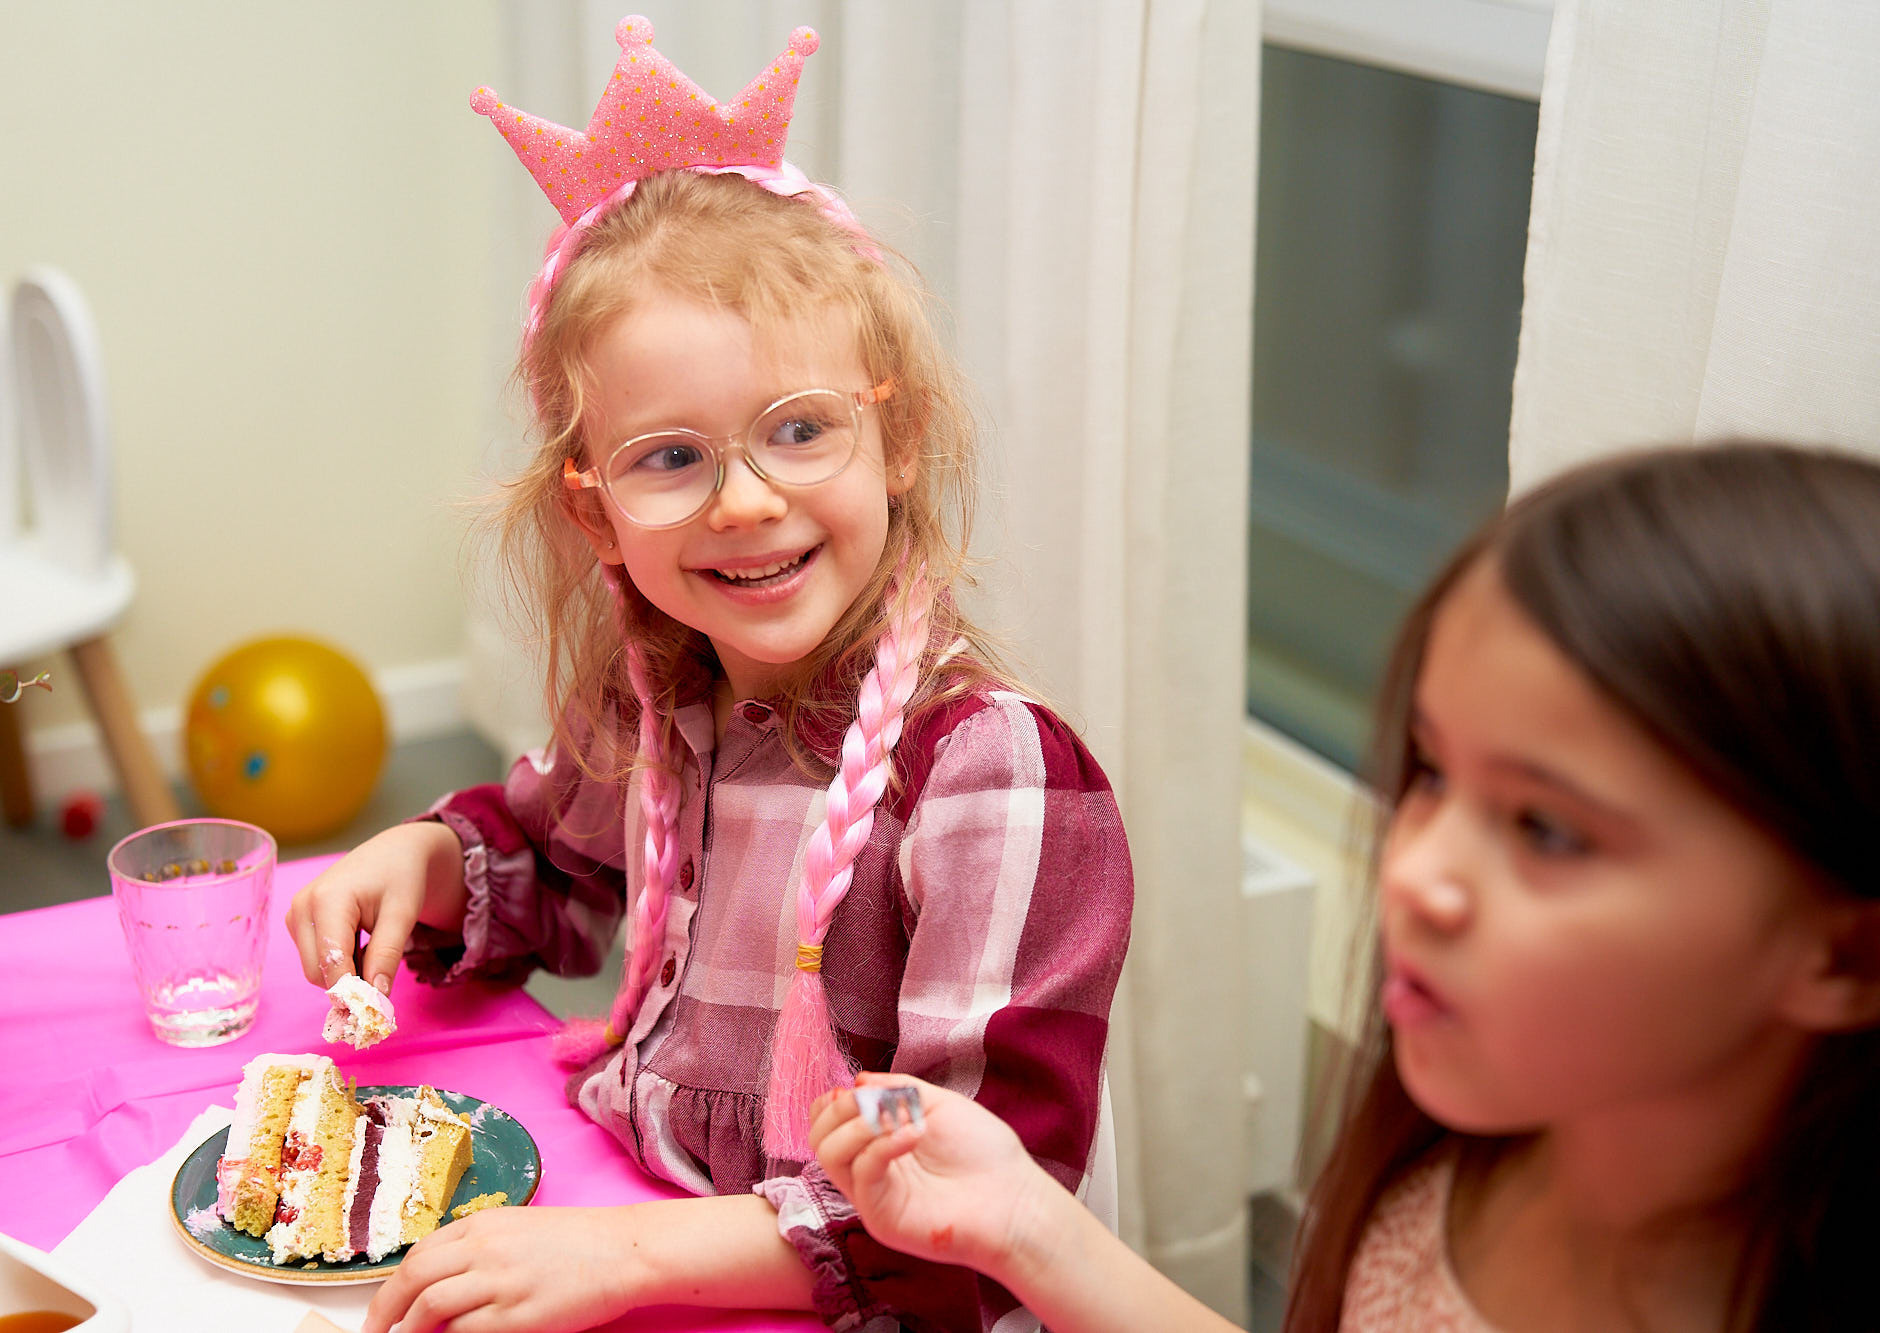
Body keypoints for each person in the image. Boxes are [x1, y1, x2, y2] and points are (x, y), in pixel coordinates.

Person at [285, 18, 1133, 1333]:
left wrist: (623, 1258)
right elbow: (558, 867)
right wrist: (433, 863)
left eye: (800, 431)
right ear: (591, 510)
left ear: (893, 438)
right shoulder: (653, 698)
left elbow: (977, 1210)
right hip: (651, 1225)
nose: (744, 501)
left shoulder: (987, 775)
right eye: (670, 458)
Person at [812, 442, 1880, 1331]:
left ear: (1841, 954)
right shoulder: (1471, 1158)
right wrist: (1024, 1224)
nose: (1413, 875)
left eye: (1546, 830)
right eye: (1427, 775)